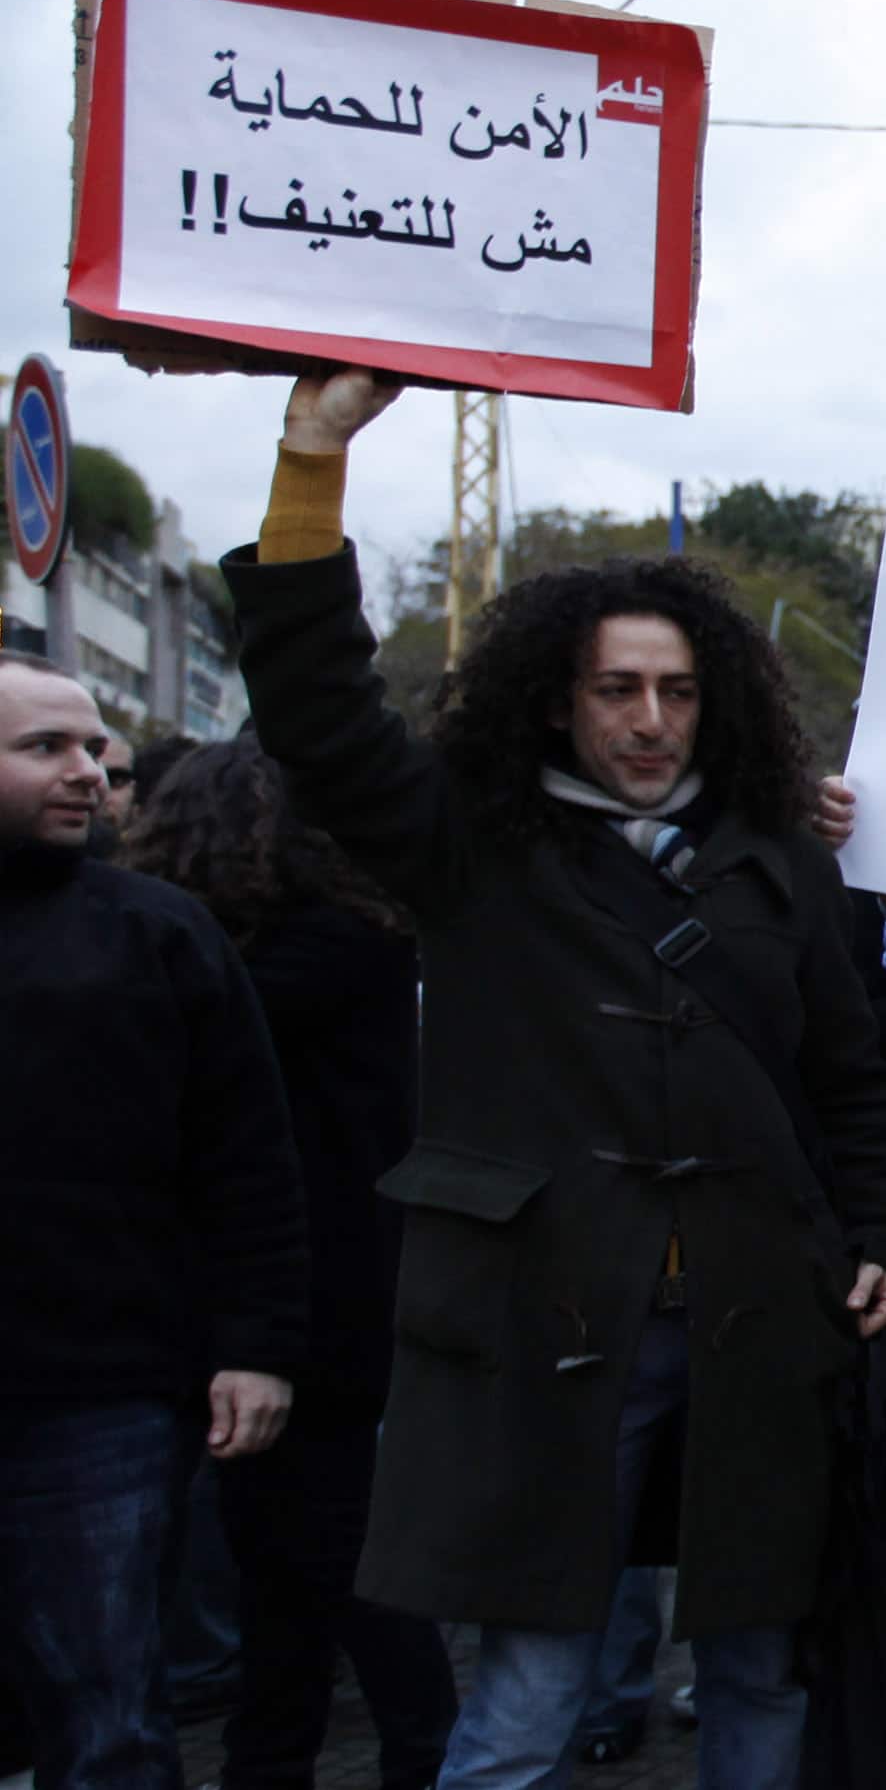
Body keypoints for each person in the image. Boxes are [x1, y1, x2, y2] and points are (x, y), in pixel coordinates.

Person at [220, 370, 886, 1790]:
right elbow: (314, 706)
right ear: (558, 704)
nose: (650, 718)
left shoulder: (779, 858)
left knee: (757, 1673)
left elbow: (847, 1079)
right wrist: (311, 456)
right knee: (526, 1701)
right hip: (539, 1329)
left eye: (676, 689)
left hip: (758, 1329)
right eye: (617, 689)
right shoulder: (467, 846)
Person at [117, 739, 456, 1790]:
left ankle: (391, 1753)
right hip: (347, 1293)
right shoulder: (361, 939)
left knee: (322, 1573)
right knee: (303, 1578)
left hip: (294, 1301)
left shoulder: (256, 964)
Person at [0, 653, 305, 1790]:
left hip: (99, 1398)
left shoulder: (158, 932)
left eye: (94, 749)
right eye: (48, 747)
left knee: (108, 1709)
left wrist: (256, 1345)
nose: (87, 772)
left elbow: (247, 1158)